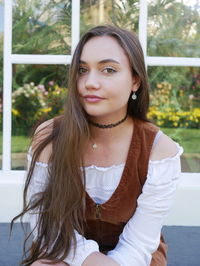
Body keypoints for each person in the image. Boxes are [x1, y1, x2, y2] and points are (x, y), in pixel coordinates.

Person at [12, 25, 183, 266]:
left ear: (135, 80)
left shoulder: (160, 151)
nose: (90, 82)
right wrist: (88, 259)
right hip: (62, 249)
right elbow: (46, 224)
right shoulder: (50, 137)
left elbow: (139, 244)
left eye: (108, 70)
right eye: (82, 70)